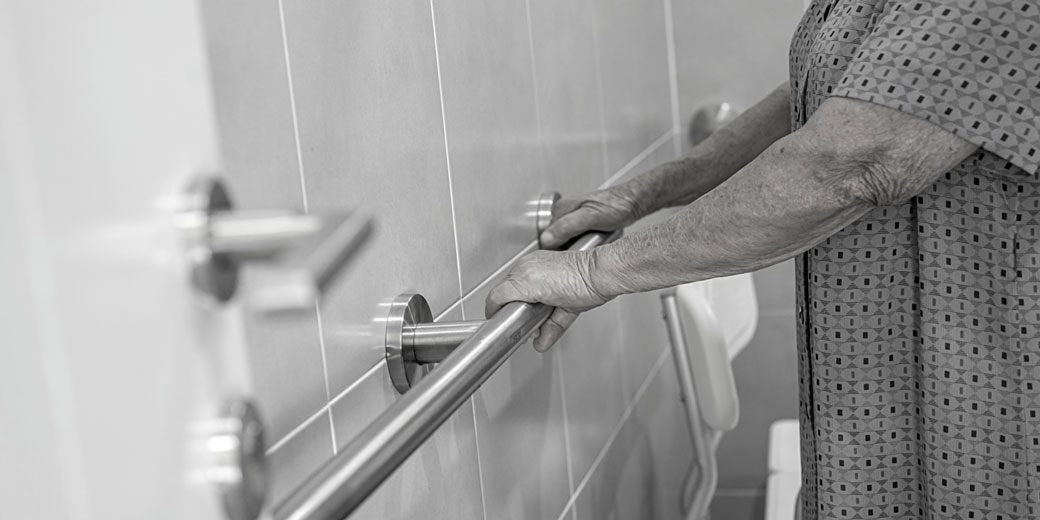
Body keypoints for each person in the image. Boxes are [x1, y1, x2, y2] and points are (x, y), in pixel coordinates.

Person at [485, 1, 1040, 518]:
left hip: (980, 390)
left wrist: (591, 273)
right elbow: (824, 101)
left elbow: (851, 160)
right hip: (878, 403)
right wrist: (642, 194)